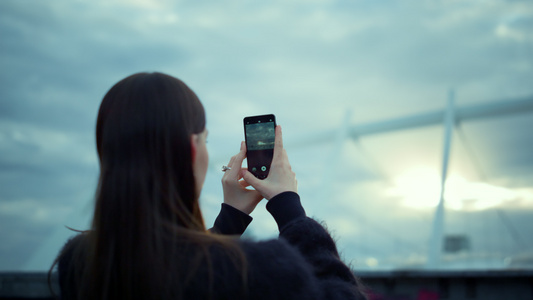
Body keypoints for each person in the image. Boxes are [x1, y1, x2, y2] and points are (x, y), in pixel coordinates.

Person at [52, 72, 368, 300]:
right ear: (193, 149)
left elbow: (178, 268)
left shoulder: (80, 262)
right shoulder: (260, 270)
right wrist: (290, 208)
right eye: (206, 139)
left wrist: (230, 219)